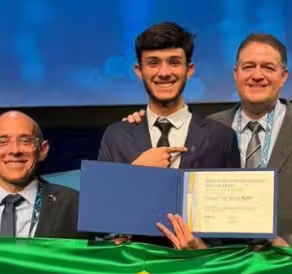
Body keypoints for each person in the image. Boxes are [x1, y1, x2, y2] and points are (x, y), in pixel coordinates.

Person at [125, 33, 292, 250]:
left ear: (284, 76)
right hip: (215, 261)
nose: (257, 75)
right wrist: (142, 122)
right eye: (248, 67)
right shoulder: (207, 129)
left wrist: (289, 244)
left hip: (285, 265)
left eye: (268, 68)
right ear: (236, 74)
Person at [97, 22, 239, 171]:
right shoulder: (116, 136)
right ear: (139, 71)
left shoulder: (221, 137)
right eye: (153, 63)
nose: (164, 73)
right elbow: (100, 187)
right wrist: (136, 172)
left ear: (189, 70)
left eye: (174, 63)